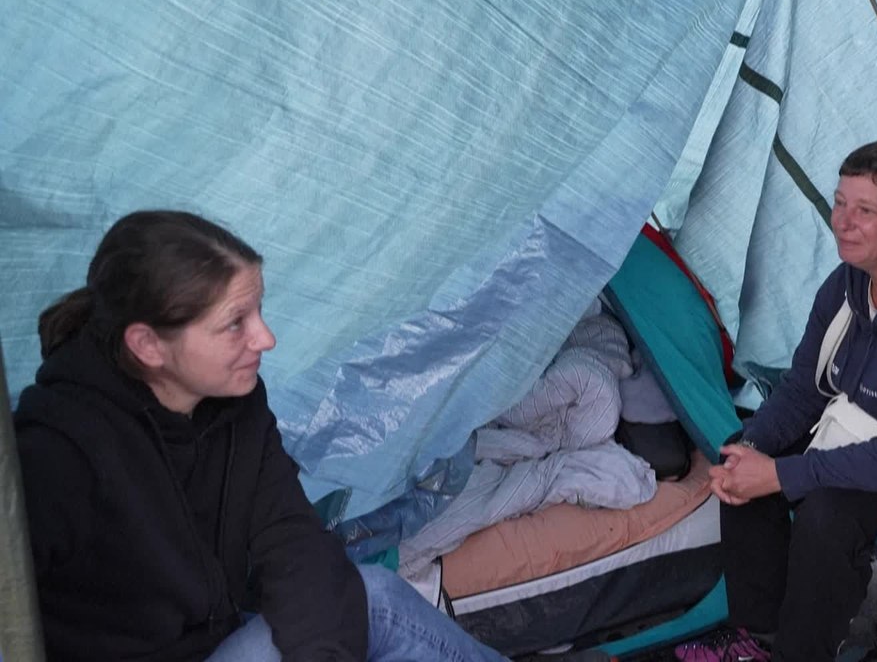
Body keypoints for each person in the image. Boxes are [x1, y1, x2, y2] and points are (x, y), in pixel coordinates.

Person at [14, 210, 507, 661]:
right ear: (148, 345)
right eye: (235, 324)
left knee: (369, 599)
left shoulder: (237, 407)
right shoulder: (55, 454)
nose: (266, 338)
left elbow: (292, 541)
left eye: (258, 311)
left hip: (217, 643)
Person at [677, 138, 877, 661]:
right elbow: (804, 390)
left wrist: (780, 475)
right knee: (742, 448)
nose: (842, 221)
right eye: (839, 202)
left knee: (827, 510)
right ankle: (758, 640)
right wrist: (755, 451)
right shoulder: (848, 283)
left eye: (864, 210)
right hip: (864, 441)